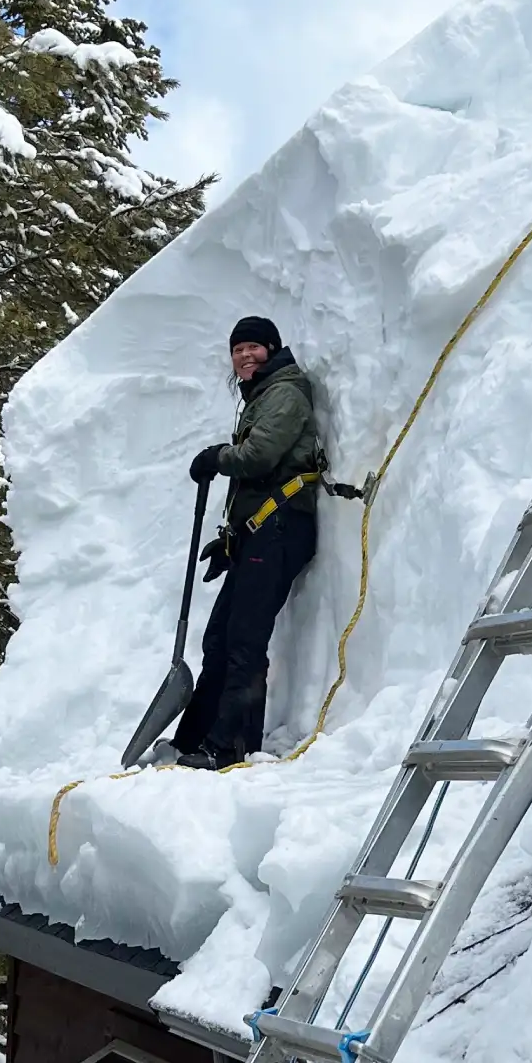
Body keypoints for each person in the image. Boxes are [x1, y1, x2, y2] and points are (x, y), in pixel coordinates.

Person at [170, 316, 321, 770]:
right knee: (219, 638)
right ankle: (195, 737)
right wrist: (231, 539)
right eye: (237, 350)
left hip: (281, 530)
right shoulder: (262, 395)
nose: (244, 355)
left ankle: (231, 747)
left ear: (271, 349)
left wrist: (217, 457)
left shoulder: (285, 392)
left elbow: (259, 457)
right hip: (260, 533)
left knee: (244, 642)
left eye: (253, 346)